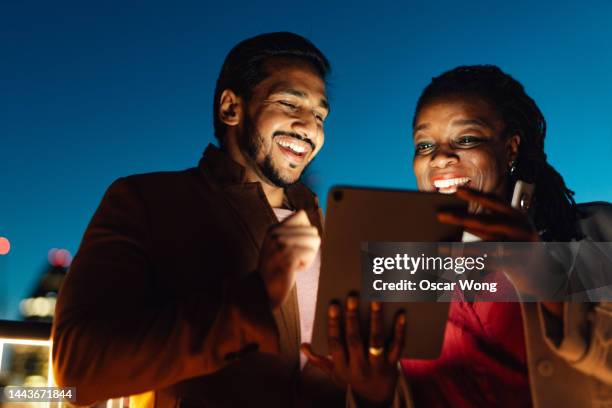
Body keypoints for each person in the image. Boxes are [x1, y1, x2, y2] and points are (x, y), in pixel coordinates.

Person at [52, 32, 334, 407]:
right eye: (288, 103)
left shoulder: (328, 227)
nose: (309, 127)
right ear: (231, 108)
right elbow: (77, 369)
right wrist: (256, 295)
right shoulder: (145, 202)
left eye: (319, 114)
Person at [303, 65, 612, 407]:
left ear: (510, 149)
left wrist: (549, 284)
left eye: (466, 139)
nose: (440, 157)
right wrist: (371, 395)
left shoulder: (601, 231)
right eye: (424, 145)